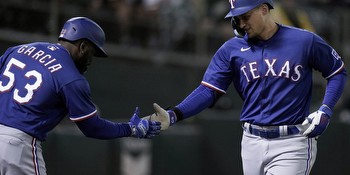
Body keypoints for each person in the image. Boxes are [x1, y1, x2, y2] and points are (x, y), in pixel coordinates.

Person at [144, 0, 347, 174]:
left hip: (292, 141)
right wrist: (174, 114)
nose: (241, 23)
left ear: (264, 9)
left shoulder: (304, 40)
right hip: (251, 141)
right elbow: (208, 90)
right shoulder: (231, 49)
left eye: (245, 16)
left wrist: (325, 109)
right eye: (237, 18)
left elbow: (336, 72)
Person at [0, 17, 161, 175]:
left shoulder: (19, 49)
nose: (91, 59)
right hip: (18, 148)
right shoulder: (71, 77)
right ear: (83, 46)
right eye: (93, 52)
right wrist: (130, 129)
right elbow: (93, 128)